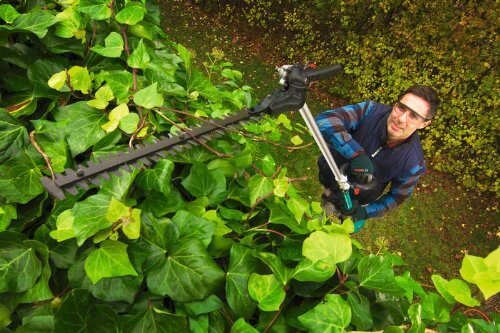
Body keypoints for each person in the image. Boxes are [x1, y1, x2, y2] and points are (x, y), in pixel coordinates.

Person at [315, 85, 440, 226]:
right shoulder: (370, 111)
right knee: (309, 218)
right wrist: (356, 155)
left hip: (353, 202)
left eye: (413, 116)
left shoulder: (413, 163)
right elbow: (325, 119)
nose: (401, 119)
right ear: (395, 104)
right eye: (401, 108)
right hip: (327, 177)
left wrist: (366, 212)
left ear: (424, 124)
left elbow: (397, 198)